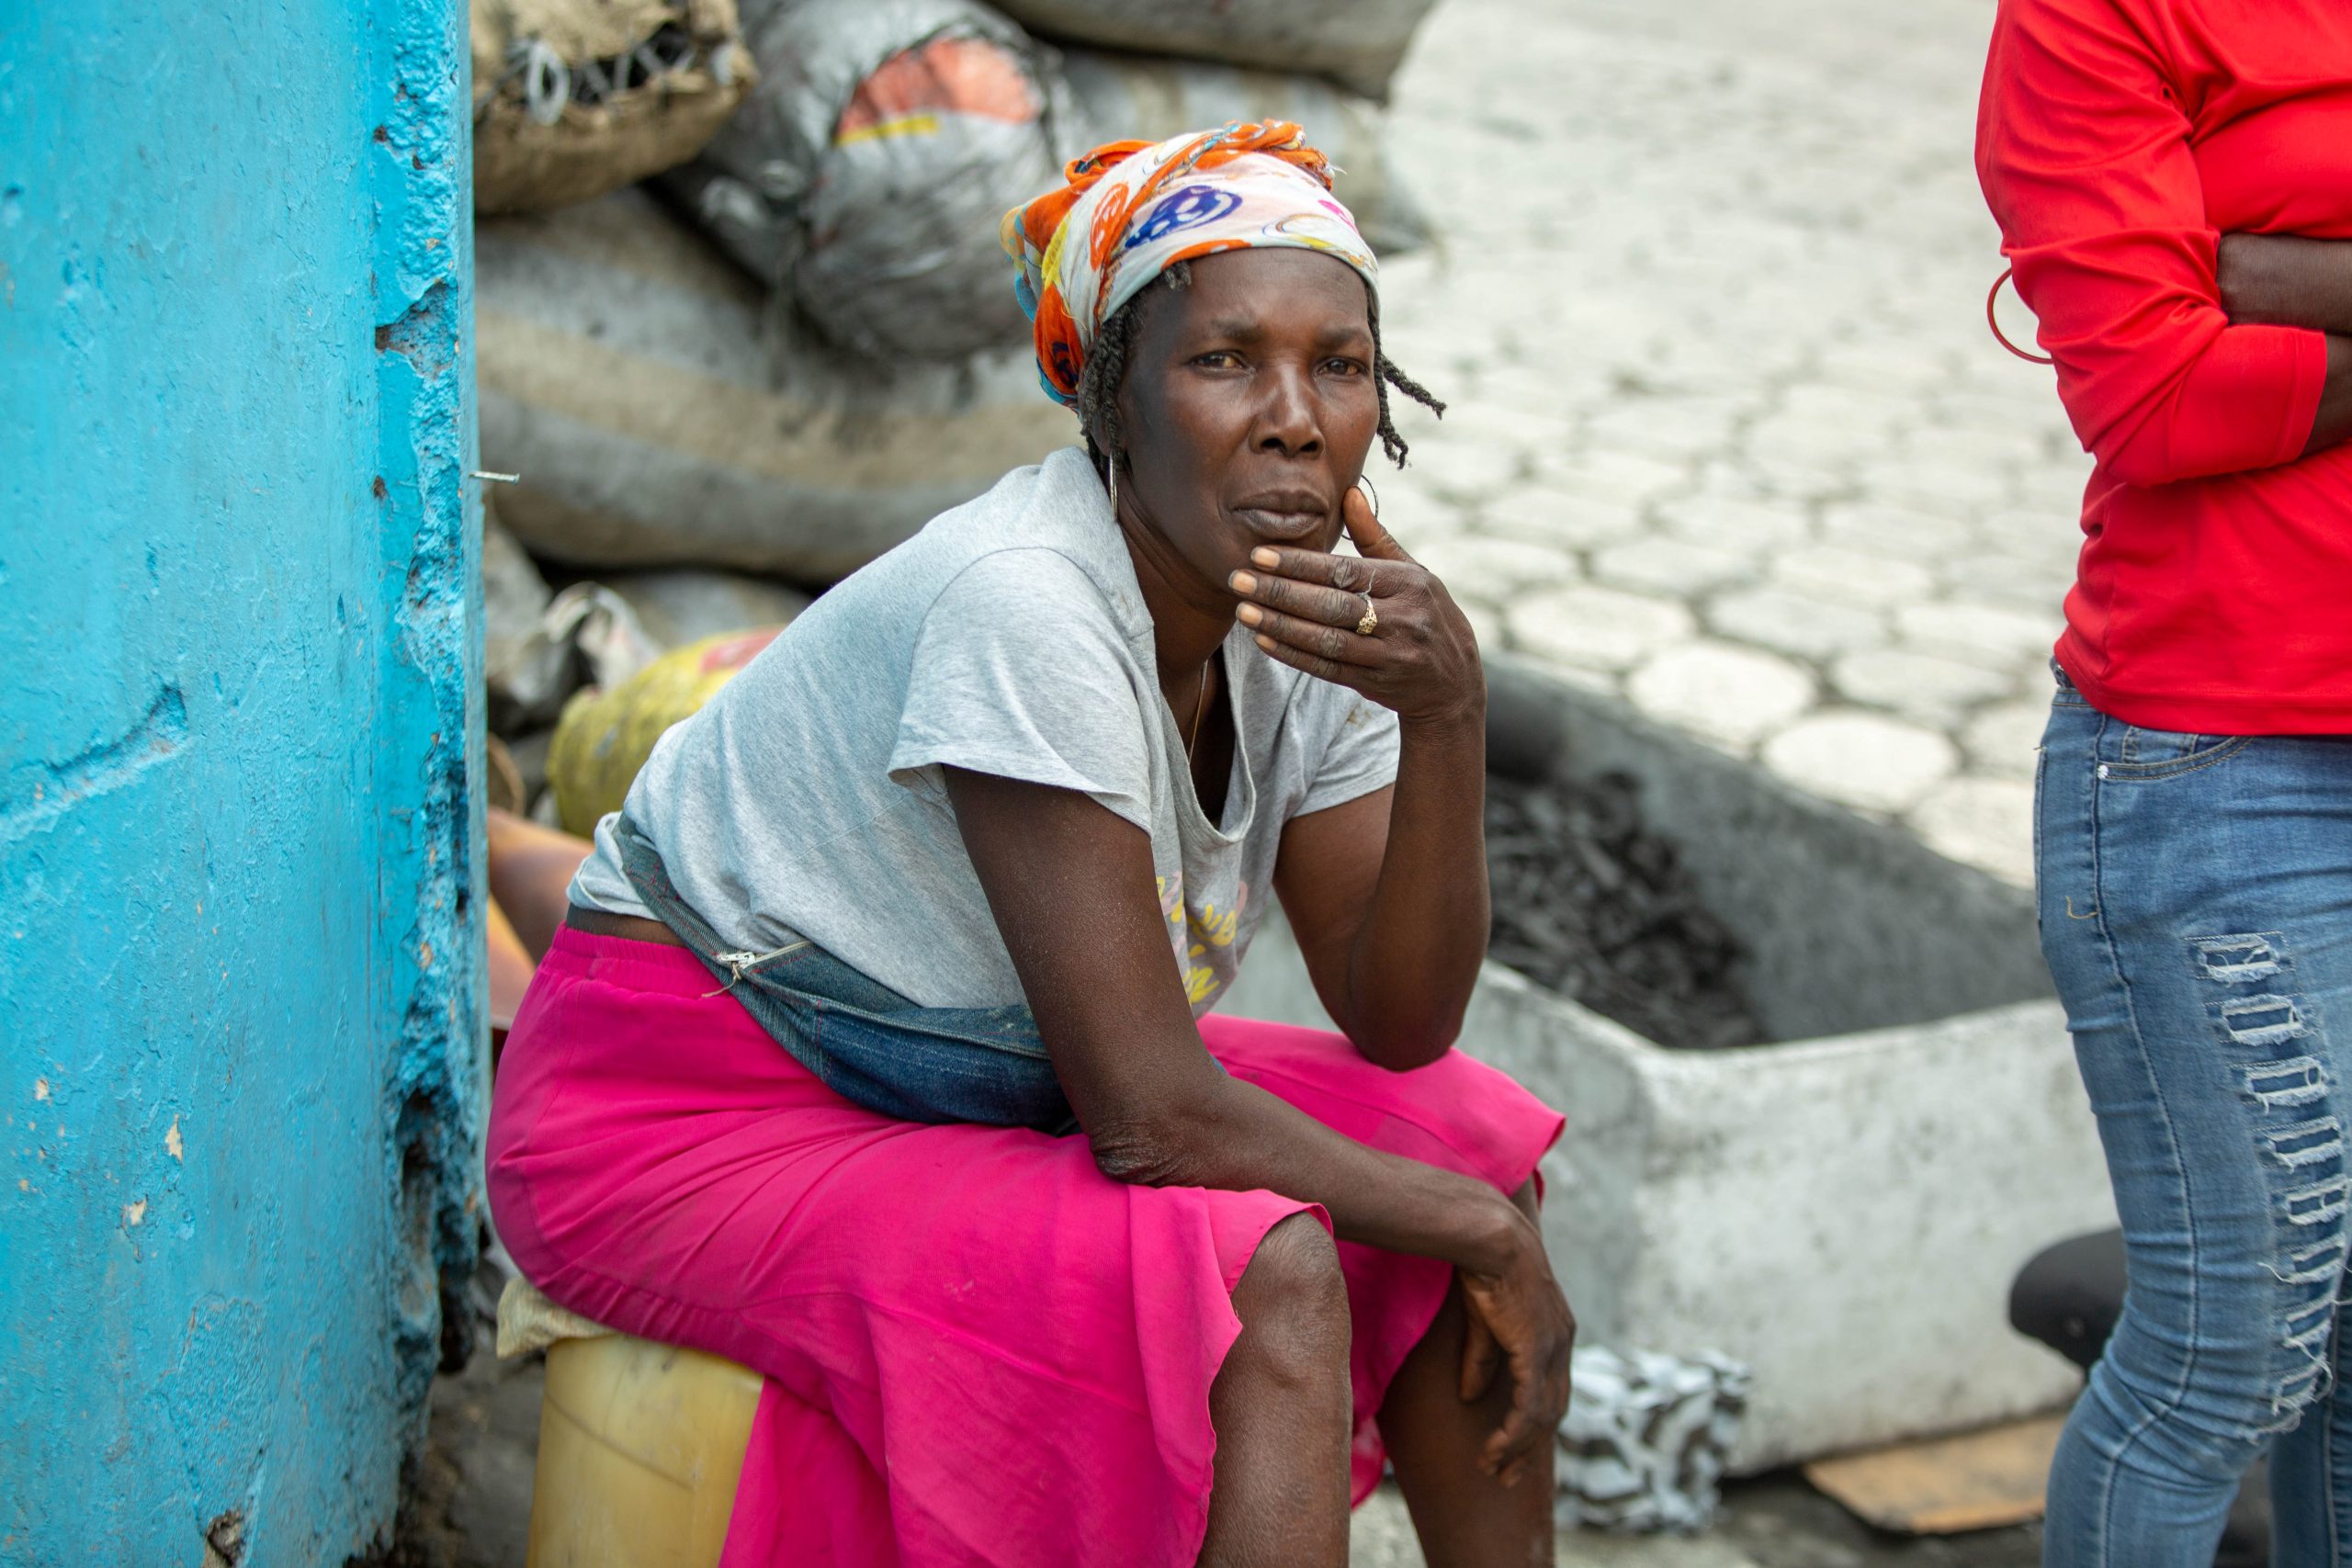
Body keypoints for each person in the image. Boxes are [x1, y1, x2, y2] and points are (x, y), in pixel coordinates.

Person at [487, 121, 1573, 1567]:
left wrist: (1447, 718)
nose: (1294, 417)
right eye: (1224, 359)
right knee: (1276, 1271)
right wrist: (1479, 1241)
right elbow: (1152, 1117)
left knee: (1469, 1150)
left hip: (981, 1074)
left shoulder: (1329, 623)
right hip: (688, 1123)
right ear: (1112, 402)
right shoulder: (1029, 604)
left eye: (1341, 364)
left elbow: (1400, 1024)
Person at [1975, 6, 2352, 1563]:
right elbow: (2157, 392)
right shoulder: (2097, 15)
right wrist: (2207, 320)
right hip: (2225, 765)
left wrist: (2281, 280)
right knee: (2230, 1356)